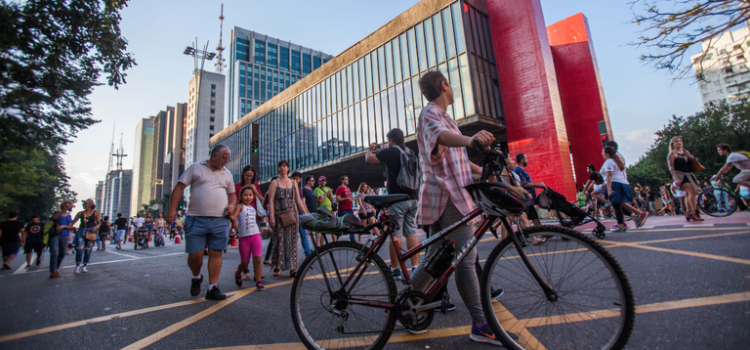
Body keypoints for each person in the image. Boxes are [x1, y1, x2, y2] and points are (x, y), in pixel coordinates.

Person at [409, 70, 510, 344]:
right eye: (450, 84)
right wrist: (470, 139)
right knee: (466, 262)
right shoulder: (431, 113)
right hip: (446, 196)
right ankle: (481, 324)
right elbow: (440, 138)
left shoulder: (446, 118)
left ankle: (405, 303)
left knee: (433, 260)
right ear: (444, 85)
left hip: (451, 195)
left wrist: (483, 171)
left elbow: (457, 159)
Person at [167, 144, 236, 300]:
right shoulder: (196, 167)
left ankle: (213, 287)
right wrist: (172, 210)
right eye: (224, 158)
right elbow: (179, 188)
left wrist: (231, 205)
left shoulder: (227, 174)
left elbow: (232, 195)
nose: (227, 161)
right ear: (214, 156)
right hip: (195, 218)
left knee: (216, 253)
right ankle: (196, 277)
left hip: (220, 220)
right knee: (195, 255)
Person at [365, 128, 419, 277]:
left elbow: (369, 158)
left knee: (395, 233)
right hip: (414, 198)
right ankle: (415, 267)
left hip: (397, 198)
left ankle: (395, 269)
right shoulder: (410, 151)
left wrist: (371, 149)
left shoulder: (390, 152)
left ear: (391, 140)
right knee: (411, 232)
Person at [267, 160, 309, 277]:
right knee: (279, 240)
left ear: (288, 168)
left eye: (284, 166)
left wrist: (306, 214)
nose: (282, 168)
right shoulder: (274, 183)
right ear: (278, 169)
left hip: (292, 215)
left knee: (292, 242)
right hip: (279, 216)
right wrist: (271, 217)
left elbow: (298, 200)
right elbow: (270, 201)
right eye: (280, 166)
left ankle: (293, 268)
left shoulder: (293, 182)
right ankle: (277, 265)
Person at [602, 146, 648, 231]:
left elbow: (609, 174)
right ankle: (634, 217)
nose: (602, 153)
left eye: (603, 151)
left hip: (615, 183)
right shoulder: (616, 160)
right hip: (621, 183)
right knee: (617, 204)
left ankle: (621, 225)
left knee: (616, 205)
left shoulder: (609, 161)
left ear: (607, 153)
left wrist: (608, 187)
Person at [229, 186, 265, 291]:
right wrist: (231, 218)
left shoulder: (253, 209)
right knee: (245, 262)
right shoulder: (240, 207)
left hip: (256, 235)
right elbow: (233, 217)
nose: (248, 197)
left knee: (257, 259)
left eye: (250, 195)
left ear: (253, 196)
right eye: (245, 195)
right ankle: (238, 273)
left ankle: (258, 281)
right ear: (240, 196)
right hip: (244, 238)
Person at [666, 136, 702, 221]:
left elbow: (690, 164)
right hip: (680, 175)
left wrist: (693, 159)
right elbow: (671, 167)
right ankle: (694, 211)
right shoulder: (672, 154)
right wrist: (675, 178)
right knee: (691, 191)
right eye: (676, 141)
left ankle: (688, 212)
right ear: (673, 144)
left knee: (687, 193)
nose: (679, 142)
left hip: (689, 174)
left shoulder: (686, 152)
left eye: (680, 141)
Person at [514, 153, 545, 227]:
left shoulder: (521, 170)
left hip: (529, 200)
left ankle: (543, 233)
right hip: (525, 199)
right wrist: (538, 185)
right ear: (522, 160)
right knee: (524, 220)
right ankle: (524, 235)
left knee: (534, 217)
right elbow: (524, 184)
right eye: (526, 158)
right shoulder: (518, 170)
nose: (527, 160)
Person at [70, 199, 101, 273]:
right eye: (83, 204)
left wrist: (96, 227)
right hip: (81, 231)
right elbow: (73, 222)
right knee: (80, 248)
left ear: (90, 204)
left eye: (85, 204)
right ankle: (77, 265)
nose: (84, 205)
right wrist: (68, 227)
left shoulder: (96, 213)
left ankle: (85, 265)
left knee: (88, 249)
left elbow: (99, 222)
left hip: (91, 232)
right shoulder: (80, 213)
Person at [49, 201, 74, 278]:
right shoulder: (57, 213)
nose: (67, 207)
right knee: (54, 253)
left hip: (64, 235)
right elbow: (54, 218)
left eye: (68, 206)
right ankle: (53, 271)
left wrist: (63, 227)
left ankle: (56, 268)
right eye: (66, 205)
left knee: (62, 253)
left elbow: (70, 226)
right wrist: (62, 211)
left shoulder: (68, 216)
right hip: (55, 234)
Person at [291, 171, 312, 256]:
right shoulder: (290, 188)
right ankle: (292, 255)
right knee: (293, 237)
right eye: (293, 178)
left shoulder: (300, 189)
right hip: (292, 215)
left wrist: (306, 213)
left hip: (300, 214)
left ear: (300, 179)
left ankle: (308, 253)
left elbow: (302, 202)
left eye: (296, 178)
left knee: (304, 235)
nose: (295, 180)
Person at [314, 176, 336, 245]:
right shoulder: (317, 189)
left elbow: (332, 199)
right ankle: (321, 245)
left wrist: (329, 194)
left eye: (324, 180)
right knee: (322, 227)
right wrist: (326, 193)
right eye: (321, 181)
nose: (323, 182)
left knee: (333, 226)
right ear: (319, 182)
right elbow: (320, 200)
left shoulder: (328, 188)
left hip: (330, 209)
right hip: (322, 210)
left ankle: (335, 243)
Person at [335, 175, 356, 242]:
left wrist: (351, 199)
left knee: (352, 224)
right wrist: (346, 198)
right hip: (342, 209)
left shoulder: (348, 188)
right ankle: (336, 240)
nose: (347, 180)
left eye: (347, 179)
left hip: (349, 208)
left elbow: (348, 198)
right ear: (342, 181)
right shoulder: (340, 188)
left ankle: (353, 240)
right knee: (341, 225)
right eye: (346, 179)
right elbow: (337, 199)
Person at [301, 175, 319, 251]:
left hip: (314, 212)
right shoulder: (304, 190)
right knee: (308, 232)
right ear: (308, 182)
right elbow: (303, 202)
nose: (314, 182)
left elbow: (313, 201)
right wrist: (307, 212)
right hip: (309, 213)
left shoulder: (312, 190)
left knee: (317, 229)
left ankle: (317, 246)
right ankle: (309, 248)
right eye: (312, 180)